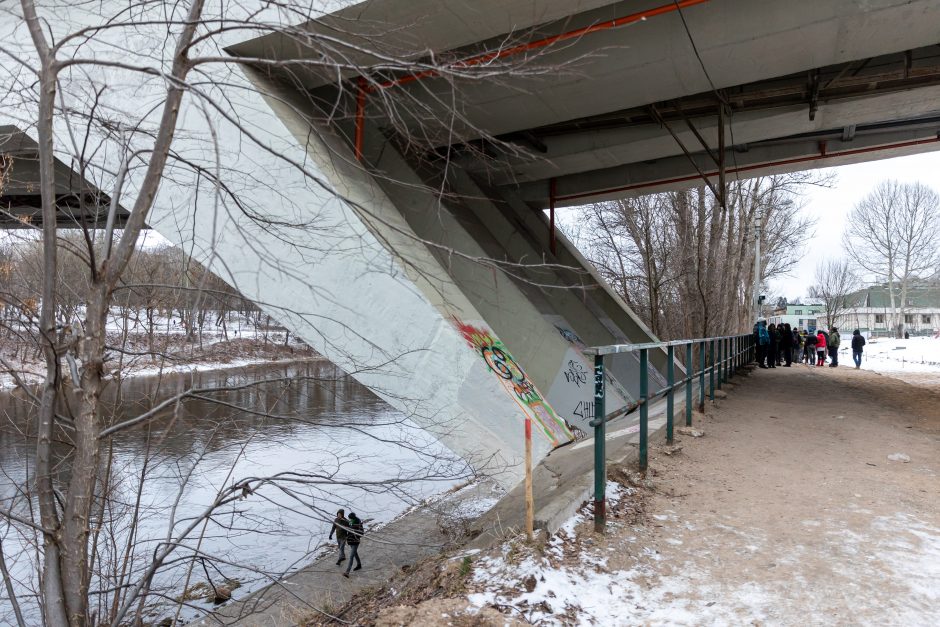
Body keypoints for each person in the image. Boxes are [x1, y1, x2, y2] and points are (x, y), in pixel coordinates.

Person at [342, 512, 364, 577]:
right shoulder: (351, 522)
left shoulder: (358, 523)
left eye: (350, 519)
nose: (350, 520)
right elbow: (348, 528)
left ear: (353, 518)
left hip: (355, 541)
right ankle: (359, 564)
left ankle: (347, 572)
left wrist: (355, 535)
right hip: (350, 541)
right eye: (349, 519)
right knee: (355, 553)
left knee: (351, 556)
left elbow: (362, 532)